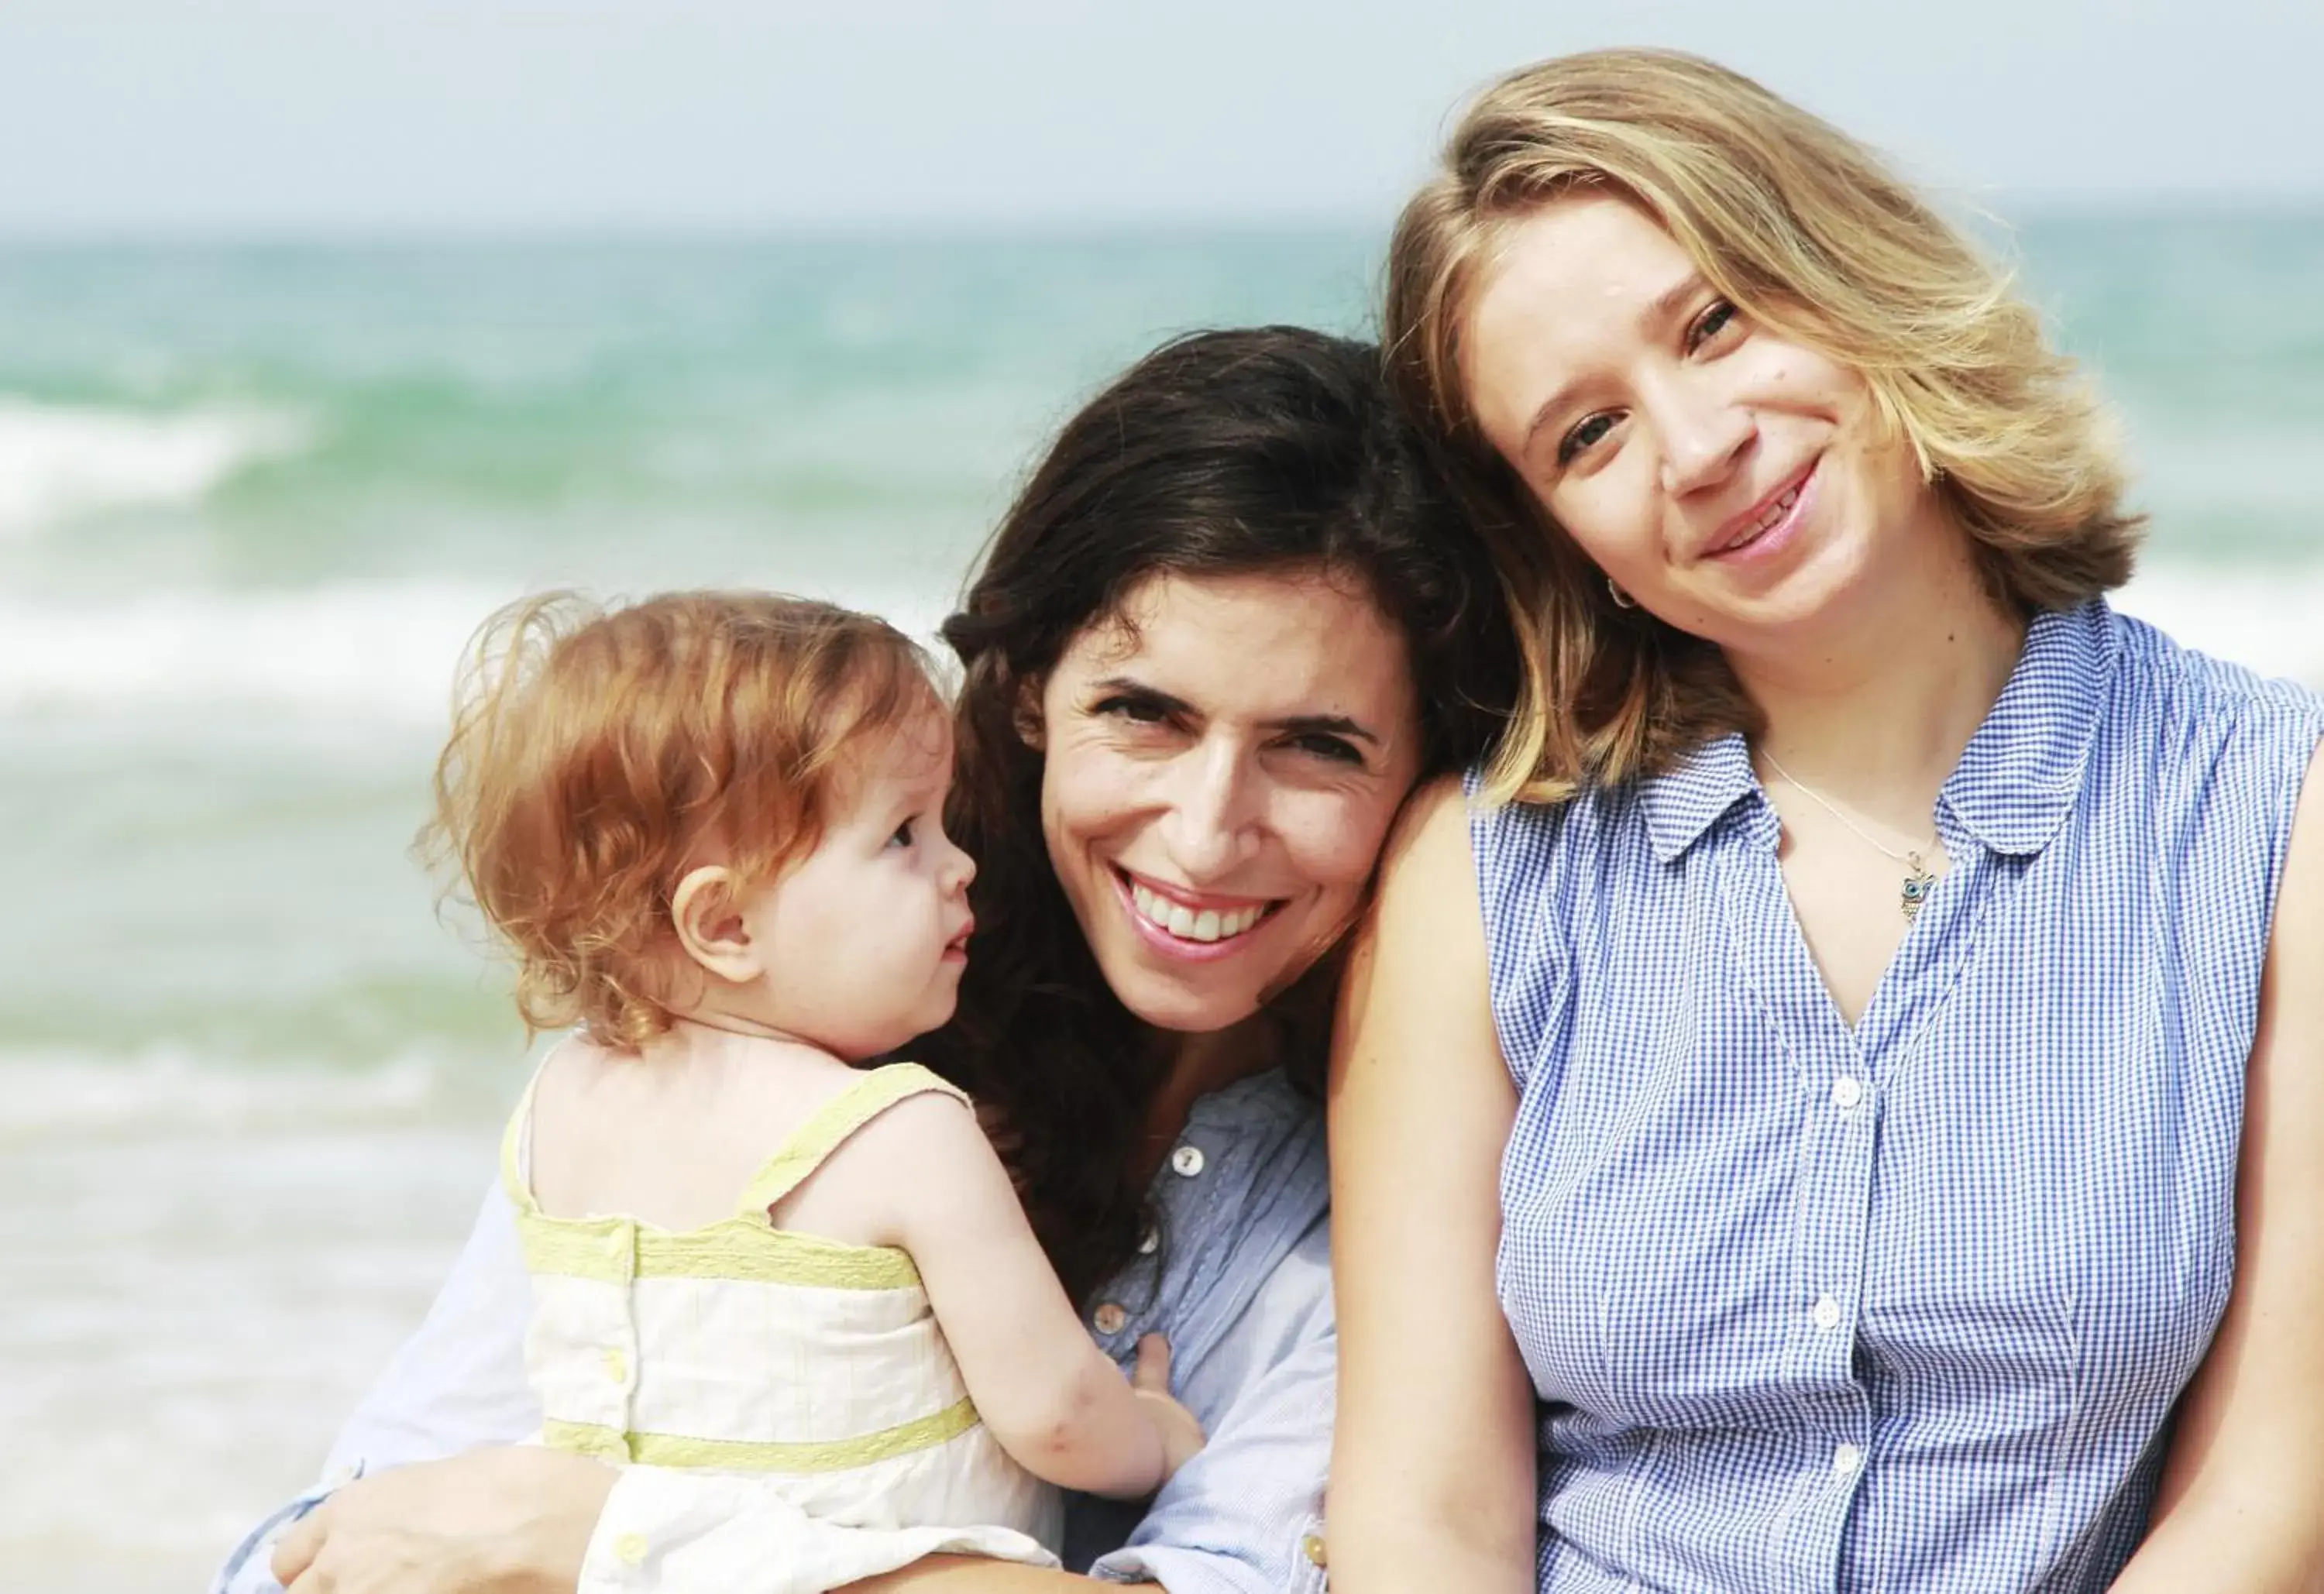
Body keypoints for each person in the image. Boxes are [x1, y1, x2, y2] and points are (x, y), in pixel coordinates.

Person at [214, 325, 1515, 1594]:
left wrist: (624, 1543)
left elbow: (509, 1533)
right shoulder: (733, 1047)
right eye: (1142, 713)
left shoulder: (1399, 1192)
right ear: (1027, 695)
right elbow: (323, 1548)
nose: (1206, 828)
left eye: (1318, 745)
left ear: (1423, 776)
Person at [1329, 43, 2324, 1594]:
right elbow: (1423, 1517)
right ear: (1559, 538)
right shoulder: (1483, 878)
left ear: (1848, 277)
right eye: (1585, 435)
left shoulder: (2276, 820)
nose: (1700, 445)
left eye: (1715, 323)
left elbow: (2271, 1498)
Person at [362, 589, 1212, 1587]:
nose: (960, 865)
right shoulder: (901, 1133)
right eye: (902, 835)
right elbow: (1059, 1416)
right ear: (724, 925)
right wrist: (1156, 1436)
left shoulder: (563, 1104)